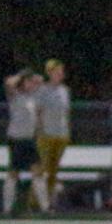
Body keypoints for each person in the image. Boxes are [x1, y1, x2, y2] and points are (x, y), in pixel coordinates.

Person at [1, 68, 43, 215]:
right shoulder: (15, 96)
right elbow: (9, 82)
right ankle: (7, 208)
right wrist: (21, 76)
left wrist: (32, 79)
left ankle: (44, 207)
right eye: (28, 82)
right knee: (13, 172)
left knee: (37, 171)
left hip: (29, 139)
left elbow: (40, 79)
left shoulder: (33, 97)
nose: (31, 84)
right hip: (16, 139)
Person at [34, 59, 72, 211]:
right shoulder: (43, 90)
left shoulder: (65, 90)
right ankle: (37, 202)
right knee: (42, 169)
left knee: (53, 171)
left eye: (61, 71)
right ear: (49, 73)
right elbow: (38, 112)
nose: (60, 74)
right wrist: (39, 130)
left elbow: (66, 112)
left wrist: (68, 130)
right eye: (57, 71)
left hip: (61, 135)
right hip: (46, 134)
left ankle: (49, 201)